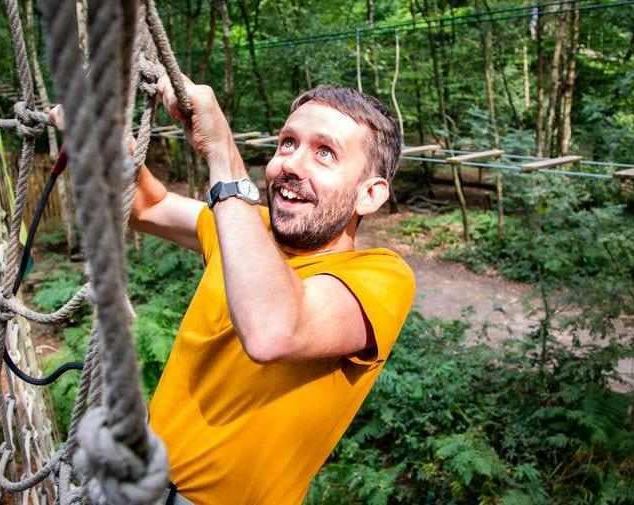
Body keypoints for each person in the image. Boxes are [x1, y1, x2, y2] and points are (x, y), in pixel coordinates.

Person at [54, 74, 415, 505]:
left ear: (370, 195)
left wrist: (223, 155)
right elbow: (149, 206)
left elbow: (274, 329)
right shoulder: (245, 225)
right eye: (287, 143)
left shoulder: (381, 277)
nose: (291, 165)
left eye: (324, 153)